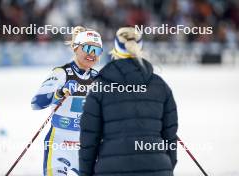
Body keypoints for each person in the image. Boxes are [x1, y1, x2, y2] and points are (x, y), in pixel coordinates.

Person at [79, 27, 178, 176]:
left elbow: (89, 140)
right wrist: (165, 168)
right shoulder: (161, 86)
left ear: (115, 51)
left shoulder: (100, 88)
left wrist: (85, 173)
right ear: (141, 49)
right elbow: (170, 138)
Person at [31, 26, 103, 176]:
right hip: (59, 144)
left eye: (96, 50)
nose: (92, 54)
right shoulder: (61, 73)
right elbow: (37, 102)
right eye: (88, 48)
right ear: (76, 48)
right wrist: (58, 94)